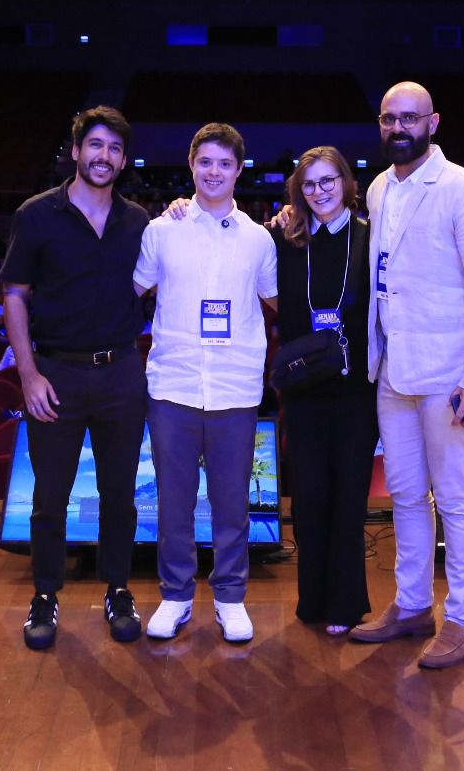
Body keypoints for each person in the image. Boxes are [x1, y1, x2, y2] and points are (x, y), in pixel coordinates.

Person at [349, 82, 464, 671]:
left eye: (410, 118)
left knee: (459, 499)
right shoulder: (378, 187)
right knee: (408, 498)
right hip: (395, 370)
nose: (399, 128)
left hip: (451, 376)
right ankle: (413, 605)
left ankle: (463, 619)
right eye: (390, 118)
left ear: (433, 122)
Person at [2, 106, 151, 652]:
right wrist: (28, 374)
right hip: (56, 373)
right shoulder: (36, 215)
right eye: (95, 145)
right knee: (49, 496)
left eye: (114, 148)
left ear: (123, 159)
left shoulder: (139, 221)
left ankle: (117, 590)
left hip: (121, 374)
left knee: (120, 495)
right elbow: (14, 295)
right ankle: (45, 596)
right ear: (76, 151)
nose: (103, 156)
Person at [134, 122, 278, 645]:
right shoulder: (160, 230)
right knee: (173, 499)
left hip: (235, 388)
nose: (214, 172)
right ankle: (174, 596)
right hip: (172, 384)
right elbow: (130, 289)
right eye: (205, 162)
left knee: (231, 500)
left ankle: (230, 597)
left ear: (239, 170)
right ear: (191, 165)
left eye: (224, 164)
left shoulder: (261, 239)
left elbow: (278, 301)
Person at [273, 147, 376, 635]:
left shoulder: (369, 236)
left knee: (348, 497)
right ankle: (311, 601)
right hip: (304, 390)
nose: (319, 192)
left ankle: (345, 604)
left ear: (347, 182)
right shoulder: (285, 237)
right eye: (310, 184)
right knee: (310, 498)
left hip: (356, 390)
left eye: (328, 181)